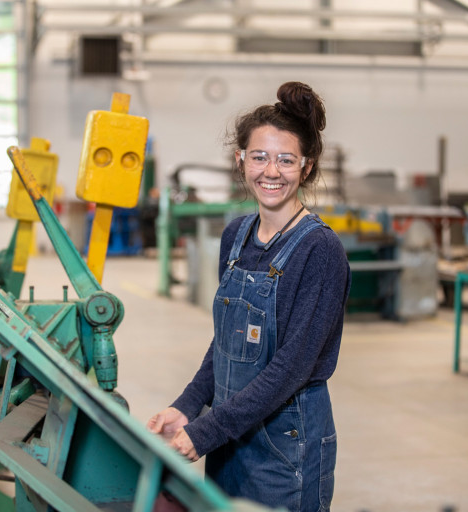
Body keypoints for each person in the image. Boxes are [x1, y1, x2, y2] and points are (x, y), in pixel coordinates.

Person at [147, 81, 351, 512]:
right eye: (259, 157)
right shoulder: (235, 236)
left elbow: (290, 369)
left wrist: (204, 431)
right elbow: (226, 343)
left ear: (307, 167)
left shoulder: (320, 251)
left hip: (285, 448)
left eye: (285, 160)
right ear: (240, 161)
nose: (270, 172)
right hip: (229, 437)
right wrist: (187, 407)